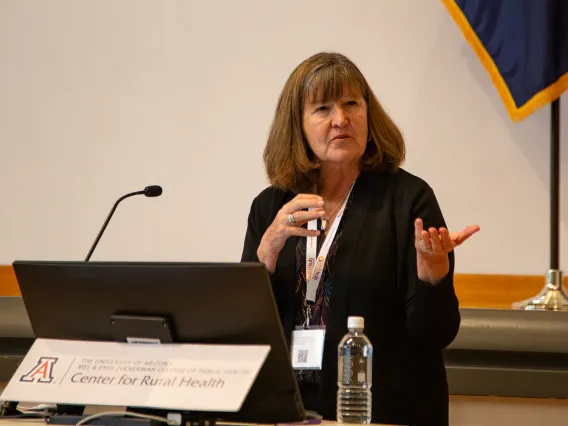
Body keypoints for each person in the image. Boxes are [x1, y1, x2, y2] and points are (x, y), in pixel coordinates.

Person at [241, 52, 479, 426]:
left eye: (352, 103)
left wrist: (434, 278)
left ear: (369, 114)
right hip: (286, 411)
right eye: (322, 109)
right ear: (297, 125)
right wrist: (265, 254)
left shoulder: (407, 200)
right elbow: (247, 331)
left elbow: (435, 336)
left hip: (380, 412)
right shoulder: (271, 206)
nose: (341, 119)